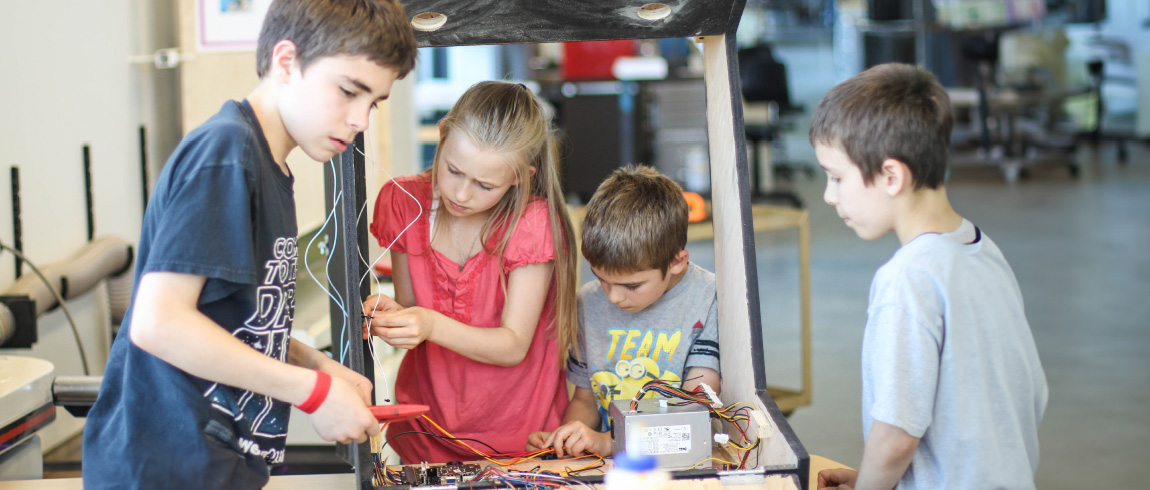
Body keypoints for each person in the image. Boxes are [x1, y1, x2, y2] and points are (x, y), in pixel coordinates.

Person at [82, 1, 417, 488]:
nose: (361, 119)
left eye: (373, 103)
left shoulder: (270, 166)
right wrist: (313, 391)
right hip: (163, 468)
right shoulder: (226, 155)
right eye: (349, 91)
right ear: (287, 62)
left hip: (218, 464)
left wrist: (313, 361)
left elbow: (236, 322)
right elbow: (159, 323)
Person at [809, 63, 1048, 490]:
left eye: (836, 177)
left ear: (891, 175)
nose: (829, 196)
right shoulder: (980, 249)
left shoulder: (907, 280)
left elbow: (896, 437)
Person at [361, 81, 579, 463]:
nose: (461, 194)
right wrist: (396, 317)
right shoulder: (403, 203)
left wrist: (427, 323)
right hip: (425, 431)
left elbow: (512, 345)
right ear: (442, 135)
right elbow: (415, 314)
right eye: (453, 170)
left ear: (519, 178)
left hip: (520, 438)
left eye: (484, 185)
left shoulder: (532, 222)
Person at [524, 165, 721, 458]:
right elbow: (585, 399)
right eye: (600, 278)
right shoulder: (587, 304)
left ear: (677, 262)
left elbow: (693, 411)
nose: (614, 297)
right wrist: (568, 437)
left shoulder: (708, 299)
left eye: (632, 285)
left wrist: (609, 442)